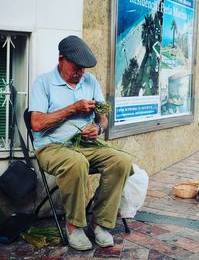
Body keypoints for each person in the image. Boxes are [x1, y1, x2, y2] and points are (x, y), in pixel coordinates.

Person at [29, 35, 133, 251]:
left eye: (84, 69)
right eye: (77, 67)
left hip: (86, 145)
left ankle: (101, 223)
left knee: (121, 161)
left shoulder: (90, 81)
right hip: (53, 147)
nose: (82, 73)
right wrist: (72, 109)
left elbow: (103, 116)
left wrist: (99, 128)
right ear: (61, 59)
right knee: (76, 163)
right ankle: (74, 226)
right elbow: (37, 123)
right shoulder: (43, 82)